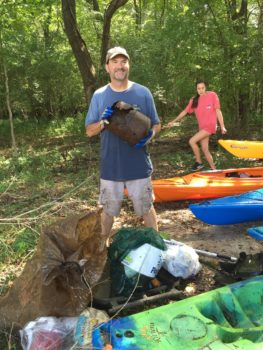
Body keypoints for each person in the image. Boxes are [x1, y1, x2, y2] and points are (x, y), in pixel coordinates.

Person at [85, 46, 161, 242]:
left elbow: (156, 124)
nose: (120, 66)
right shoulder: (100, 96)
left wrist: (149, 135)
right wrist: (103, 122)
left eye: (123, 62)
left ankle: (156, 247)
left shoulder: (143, 93)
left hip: (138, 165)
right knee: (108, 212)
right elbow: (89, 131)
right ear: (107, 67)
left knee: (146, 208)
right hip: (111, 167)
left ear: (129, 65)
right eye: (115, 62)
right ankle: (100, 254)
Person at [167, 80, 227, 171]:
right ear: (196, 89)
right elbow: (185, 112)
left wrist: (222, 126)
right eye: (198, 88)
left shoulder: (212, 95)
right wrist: (173, 121)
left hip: (210, 126)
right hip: (202, 128)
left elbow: (218, 111)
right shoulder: (194, 100)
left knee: (192, 141)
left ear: (205, 87)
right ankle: (214, 170)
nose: (201, 90)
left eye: (202, 88)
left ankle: (198, 162)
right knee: (205, 149)